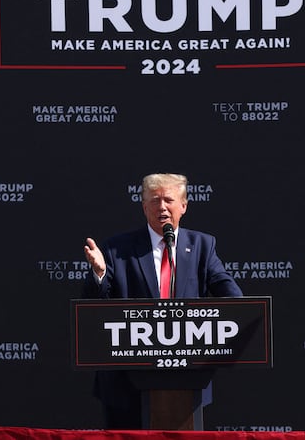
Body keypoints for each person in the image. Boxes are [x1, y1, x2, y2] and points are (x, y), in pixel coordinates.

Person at [83, 172, 243, 429]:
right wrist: (99, 274)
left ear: (184, 206)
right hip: (125, 384)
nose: (162, 207)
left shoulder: (203, 245)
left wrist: (237, 311)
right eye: (154, 200)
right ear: (144, 206)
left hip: (186, 380)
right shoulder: (116, 248)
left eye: (168, 200)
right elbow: (93, 307)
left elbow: (232, 297)